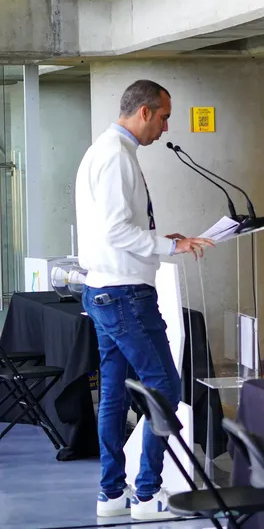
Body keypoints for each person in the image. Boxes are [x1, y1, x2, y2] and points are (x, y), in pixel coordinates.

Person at [75, 80, 214, 520]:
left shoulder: (106, 150)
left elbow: (113, 228)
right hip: (124, 293)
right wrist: (171, 247)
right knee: (166, 386)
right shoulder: (116, 156)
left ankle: (111, 494)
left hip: (106, 287)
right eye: (164, 116)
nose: (166, 126)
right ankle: (148, 494)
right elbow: (116, 231)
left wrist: (159, 239)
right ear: (143, 113)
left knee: (114, 394)